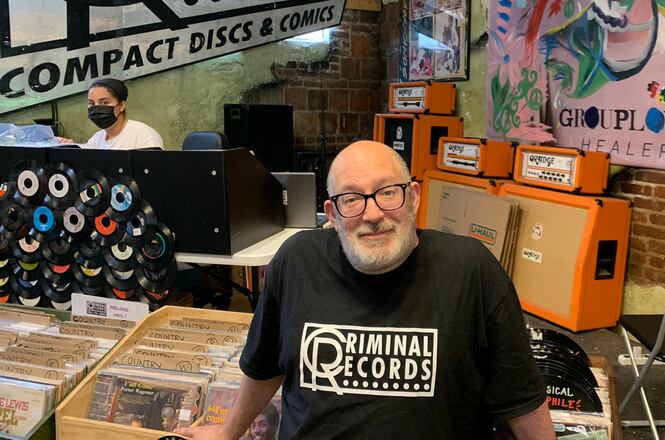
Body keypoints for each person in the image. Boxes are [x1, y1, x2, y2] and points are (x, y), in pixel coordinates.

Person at [177, 140, 554, 439]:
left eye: (387, 192)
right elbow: (264, 367)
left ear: (414, 198)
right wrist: (228, 432)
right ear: (332, 212)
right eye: (352, 199)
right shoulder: (296, 262)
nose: (373, 214)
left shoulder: (471, 269)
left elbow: (519, 398)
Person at [59, 78, 163, 150]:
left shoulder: (144, 136)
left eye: (104, 102)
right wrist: (70, 147)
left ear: (122, 105)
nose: (96, 108)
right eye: (91, 103)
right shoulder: (97, 139)